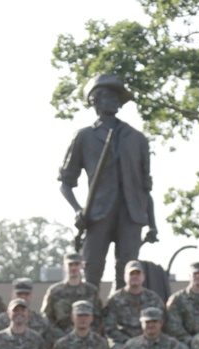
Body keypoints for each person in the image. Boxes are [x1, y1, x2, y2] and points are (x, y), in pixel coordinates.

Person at [58, 73, 158, 289]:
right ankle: (89, 316)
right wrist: (77, 210)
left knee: (128, 270)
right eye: (108, 96)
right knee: (92, 269)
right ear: (95, 100)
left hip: (131, 213)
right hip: (97, 213)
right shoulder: (83, 137)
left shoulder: (137, 138)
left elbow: (145, 188)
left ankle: (120, 316)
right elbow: (65, 183)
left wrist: (152, 223)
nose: (114, 100)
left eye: (116, 96)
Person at [103, 259, 166, 349]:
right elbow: (109, 328)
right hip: (122, 342)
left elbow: (162, 322)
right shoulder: (115, 299)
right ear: (125, 277)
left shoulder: (153, 298)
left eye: (138, 273)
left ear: (143, 277)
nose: (135, 276)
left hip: (150, 339)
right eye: (131, 274)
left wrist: (147, 339)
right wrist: (129, 341)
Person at [40, 252, 104, 339]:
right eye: (70, 265)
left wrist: (85, 333)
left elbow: (99, 317)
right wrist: (61, 336)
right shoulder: (55, 291)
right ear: (64, 267)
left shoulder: (91, 291)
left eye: (77, 264)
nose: (73, 268)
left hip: (87, 339)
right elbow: (47, 317)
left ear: (82, 266)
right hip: (60, 339)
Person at [0, 278, 56, 349]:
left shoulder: (42, 323)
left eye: (26, 294)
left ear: (32, 296)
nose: (23, 297)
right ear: (12, 295)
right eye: (19, 294)